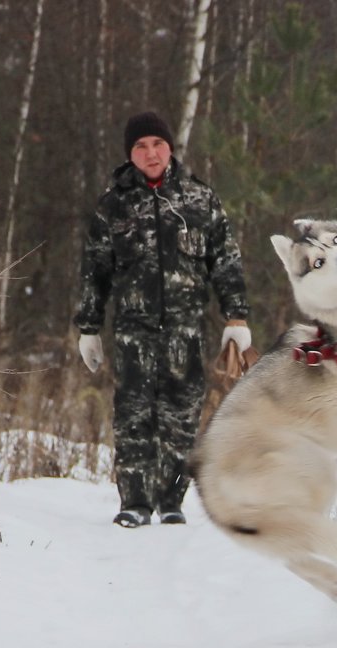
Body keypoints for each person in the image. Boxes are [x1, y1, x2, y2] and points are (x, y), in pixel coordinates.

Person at [74, 111, 251, 528]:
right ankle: (134, 503)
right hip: (132, 331)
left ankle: (171, 500)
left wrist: (236, 317)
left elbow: (225, 260)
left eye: (157, 144)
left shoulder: (199, 198)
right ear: (130, 154)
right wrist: (88, 327)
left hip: (186, 329)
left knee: (183, 414)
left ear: (170, 147)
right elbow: (94, 269)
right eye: (140, 146)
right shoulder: (113, 204)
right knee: (134, 415)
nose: (150, 153)